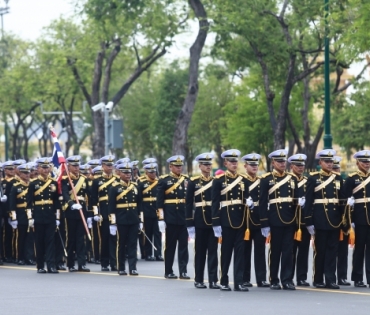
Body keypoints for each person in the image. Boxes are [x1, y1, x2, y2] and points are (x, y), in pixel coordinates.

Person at [259, 149, 303, 290]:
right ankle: (274, 279)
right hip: (275, 219)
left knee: (288, 251)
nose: (282, 164)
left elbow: (295, 200)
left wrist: (297, 218)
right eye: (279, 161)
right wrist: (264, 222)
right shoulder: (266, 179)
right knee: (275, 250)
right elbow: (262, 202)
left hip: (290, 219)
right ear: (273, 163)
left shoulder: (292, 179)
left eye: (284, 161)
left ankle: (287, 279)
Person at [305, 149, 348, 289]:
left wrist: (345, 220)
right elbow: (309, 201)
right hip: (320, 219)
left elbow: (341, 200)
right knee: (320, 251)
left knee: (332, 250)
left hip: (335, 219)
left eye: (331, 162)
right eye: (327, 161)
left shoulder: (337, 178)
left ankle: (330, 279)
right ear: (320, 162)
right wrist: (309, 221)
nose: (330, 164)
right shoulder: (313, 178)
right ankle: (318, 279)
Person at [212, 149, 251, 292]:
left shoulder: (243, 180)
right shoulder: (219, 181)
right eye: (231, 162)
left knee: (240, 253)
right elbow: (215, 202)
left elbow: (246, 198)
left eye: (236, 161)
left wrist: (249, 203)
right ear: (225, 163)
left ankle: (239, 282)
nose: (234, 164)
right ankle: (223, 280)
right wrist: (216, 222)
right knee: (226, 253)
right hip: (226, 220)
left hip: (240, 220)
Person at [186, 153, 220, 289]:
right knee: (200, 252)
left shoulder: (216, 181)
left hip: (213, 220)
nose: (208, 167)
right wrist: (189, 223)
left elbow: (218, 202)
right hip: (199, 220)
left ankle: (213, 280)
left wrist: (219, 221)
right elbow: (188, 204)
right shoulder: (193, 182)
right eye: (205, 164)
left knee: (213, 252)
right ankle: (198, 279)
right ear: (200, 166)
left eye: (209, 164)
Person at [157, 155, 189, 280]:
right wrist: (161, 218)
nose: (179, 168)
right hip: (170, 218)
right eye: (176, 166)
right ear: (170, 167)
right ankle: (168, 270)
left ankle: (183, 271)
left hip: (183, 217)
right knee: (170, 246)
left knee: (183, 247)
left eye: (180, 166)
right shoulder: (164, 180)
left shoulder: (186, 179)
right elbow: (159, 201)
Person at [27, 157, 61, 274]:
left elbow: (56, 202)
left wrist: (57, 218)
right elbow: (29, 202)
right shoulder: (33, 184)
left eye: (47, 167)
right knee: (39, 241)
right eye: (43, 167)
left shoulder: (53, 183)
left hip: (50, 216)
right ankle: (40, 265)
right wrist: (30, 218)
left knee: (50, 241)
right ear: (38, 169)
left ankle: (51, 265)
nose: (46, 170)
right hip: (38, 215)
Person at [241, 153, 269, 288]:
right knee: (245, 251)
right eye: (251, 165)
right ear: (245, 166)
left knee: (260, 251)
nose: (254, 167)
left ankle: (261, 278)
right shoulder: (241, 181)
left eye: (256, 164)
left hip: (259, 219)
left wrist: (265, 222)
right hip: (245, 220)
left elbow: (264, 202)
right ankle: (245, 278)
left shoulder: (262, 181)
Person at [108, 162, 141, 275]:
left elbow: (139, 205)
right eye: (125, 172)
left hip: (133, 219)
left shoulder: (135, 186)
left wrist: (140, 220)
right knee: (121, 244)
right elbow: (111, 206)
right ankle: (121, 267)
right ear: (119, 173)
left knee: (132, 244)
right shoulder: (114, 188)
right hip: (121, 219)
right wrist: (112, 222)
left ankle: (133, 267)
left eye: (129, 172)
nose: (128, 174)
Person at [344, 150, 370, 288]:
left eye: (368, 162)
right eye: (364, 162)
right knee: (359, 249)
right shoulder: (351, 179)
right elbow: (346, 201)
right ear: (357, 163)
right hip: (359, 218)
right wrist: (350, 220)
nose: (367, 164)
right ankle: (358, 278)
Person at [62, 155, 90, 272]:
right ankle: (70, 263)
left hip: (81, 211)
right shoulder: (65, 179)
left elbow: (89, 196)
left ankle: (81, 264)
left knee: (81, 239)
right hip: (71, 211)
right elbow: (64, 193)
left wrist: (90, 214)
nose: (76, 167)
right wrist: (71, 203)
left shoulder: (84, 179)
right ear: (68, 166)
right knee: (71, 239)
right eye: (74, 165)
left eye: (77, 165)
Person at [91, 155, 119, 271]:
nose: (110, 167)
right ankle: (104, 262)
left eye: (111, 165)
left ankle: (114, 262)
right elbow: (94, 199)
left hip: (115, 213)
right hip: (103, 213)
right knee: (105, 239)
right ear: (102, 166)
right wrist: (96, 214)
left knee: (114, 239)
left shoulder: (117, 180)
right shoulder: (97, 181)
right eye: (107, 165)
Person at [288, 153, 311, 286]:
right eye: (297, 165)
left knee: (303, 251)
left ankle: (301, 277)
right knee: (290, 251)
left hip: (303, 220)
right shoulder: (288, 180)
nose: (300, 167)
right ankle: (288, 276)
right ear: (291, 166)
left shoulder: (307, 181)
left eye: (302, 165)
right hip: (290, 220)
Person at [137, 162, 163, 261]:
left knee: (158, 233)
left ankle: (158, 253)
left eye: (154, 172)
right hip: (146, 211)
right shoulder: (141, 183)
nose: (153, 174)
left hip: (156, 211)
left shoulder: (159, 182)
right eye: (151, 172)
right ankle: (147, 253)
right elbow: (139, 199)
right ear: (146, 172)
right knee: (148, 233)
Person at [8, 164, 33, 265]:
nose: (27, 175)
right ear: (20, 173)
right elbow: (12, 204)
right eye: (25, 173)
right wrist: (14, 218)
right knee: (21, 237)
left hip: (31, 214)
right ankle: (19, 257)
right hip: (21, 213)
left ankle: (29, 257)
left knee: (30, 238)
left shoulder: (32, 185)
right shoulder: (16, 187)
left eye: (28, 173)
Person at [332, 156, 350, 286]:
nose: (336, 170)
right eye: (334, 168)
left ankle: (342, 276)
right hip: (331, 219)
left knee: (343, 251)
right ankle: (329, 276)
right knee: (332, 250)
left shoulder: (343, 182)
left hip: (343, 220)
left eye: (337, 168)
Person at [1, 161, 17, 263]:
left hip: (12, 211)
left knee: (12, 234)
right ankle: (5, 254)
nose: (12, 171)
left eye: (13, 169)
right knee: (4, 234)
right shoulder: (3, 182)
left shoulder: (15, 182)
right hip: (3, 211)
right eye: (9, 169)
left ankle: (11, 254)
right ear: (5, 170)